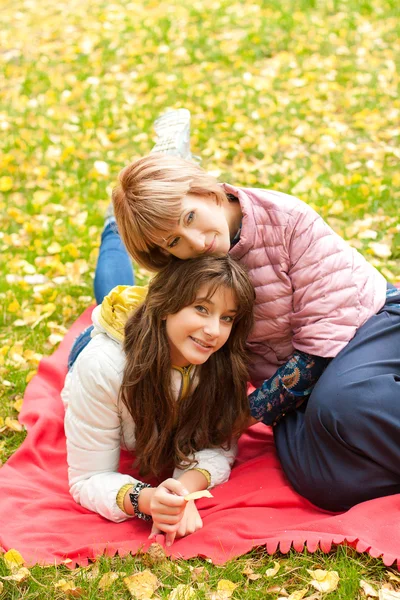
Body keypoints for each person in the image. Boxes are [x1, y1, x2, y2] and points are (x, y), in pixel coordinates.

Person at [111, 149, 400, 513]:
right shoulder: (192, 266)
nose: (196, 242)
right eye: (173, 241)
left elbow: (321, 348)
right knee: (321, 481)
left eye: (189, 217)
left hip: (371, 326)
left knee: (345, 405)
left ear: (206, 193)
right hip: (303, 387)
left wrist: (247, 414)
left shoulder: (286, 219)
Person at [61, 219, 255, 545]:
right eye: (201, 308)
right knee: (111, 296)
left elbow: (218, 442)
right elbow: (88, 477)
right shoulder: (102, 367)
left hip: (157, 332)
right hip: (109, 347)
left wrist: (180, 494)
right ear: (167, 307)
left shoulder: (221, 360)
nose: (214, 331)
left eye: (227, 318)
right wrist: (145, 500)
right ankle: (114, 226)